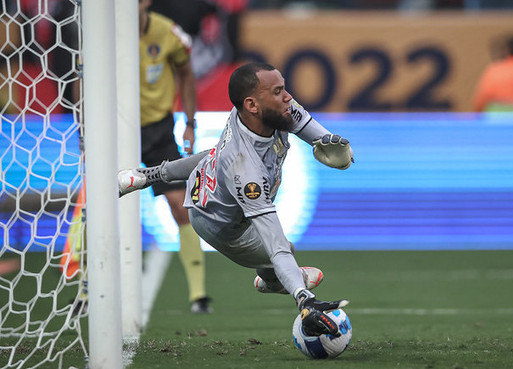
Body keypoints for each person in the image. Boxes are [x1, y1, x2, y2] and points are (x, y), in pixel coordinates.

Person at [118, 62, 353, 337]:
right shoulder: (244, 169)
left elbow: (325, 140)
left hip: (207, 176)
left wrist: (339, 152)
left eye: (283, 88)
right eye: (278, 91)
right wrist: (305, 300)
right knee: (284, 249)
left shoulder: (271, 110)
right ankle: (270, 280)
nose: (288, 96)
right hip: (220, 225)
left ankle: (146, 176)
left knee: (214, 156)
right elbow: (274, 241)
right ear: (252, 105)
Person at [137, 0, 211, 314]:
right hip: (112, 131)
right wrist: (85, 135)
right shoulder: (103, 38)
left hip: (157, 131)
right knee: (97, 209)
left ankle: (198, 294)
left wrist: (190, 123)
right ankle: (87, 291)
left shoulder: (167, 32)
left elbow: (186, 73)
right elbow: (81, 81)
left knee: (181, 206)